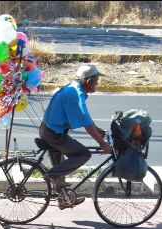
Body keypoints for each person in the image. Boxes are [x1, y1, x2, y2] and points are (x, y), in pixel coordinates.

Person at [39, 64, 113, 207]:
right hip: (53, 134)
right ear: (88, 81)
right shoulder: (75, 95)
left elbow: (84, 118)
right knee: (83, 154)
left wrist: (98, 131)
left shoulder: (74, 88)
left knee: (60, 166)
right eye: (96, 81)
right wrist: (102, 144)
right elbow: (86, 124)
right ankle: (52, 175)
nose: (97, 84)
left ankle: (64, 199)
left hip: (50, 129)